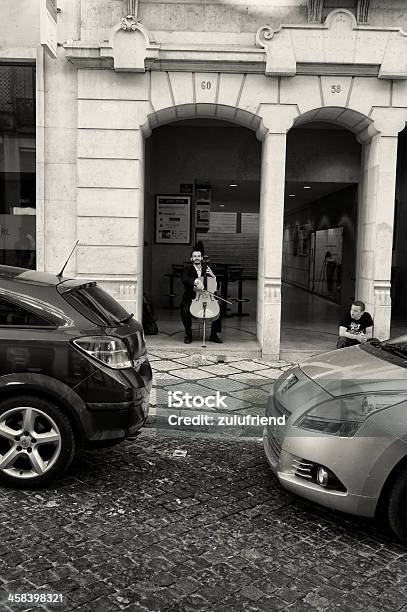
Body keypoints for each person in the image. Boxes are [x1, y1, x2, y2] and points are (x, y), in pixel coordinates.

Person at [180, 249, 223, 344]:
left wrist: (213, 276)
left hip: (207, 297)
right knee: (185, 311)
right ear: (191, 258)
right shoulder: (187, 268)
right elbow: (184, 279)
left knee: (218, 310)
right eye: (194, 256)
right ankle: (188, 335)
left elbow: (217, 286)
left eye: (199, 256)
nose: (197, 258)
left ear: (202, 258)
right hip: (192, 297)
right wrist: (195, 281)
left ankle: (213, 335)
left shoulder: (207, 269)